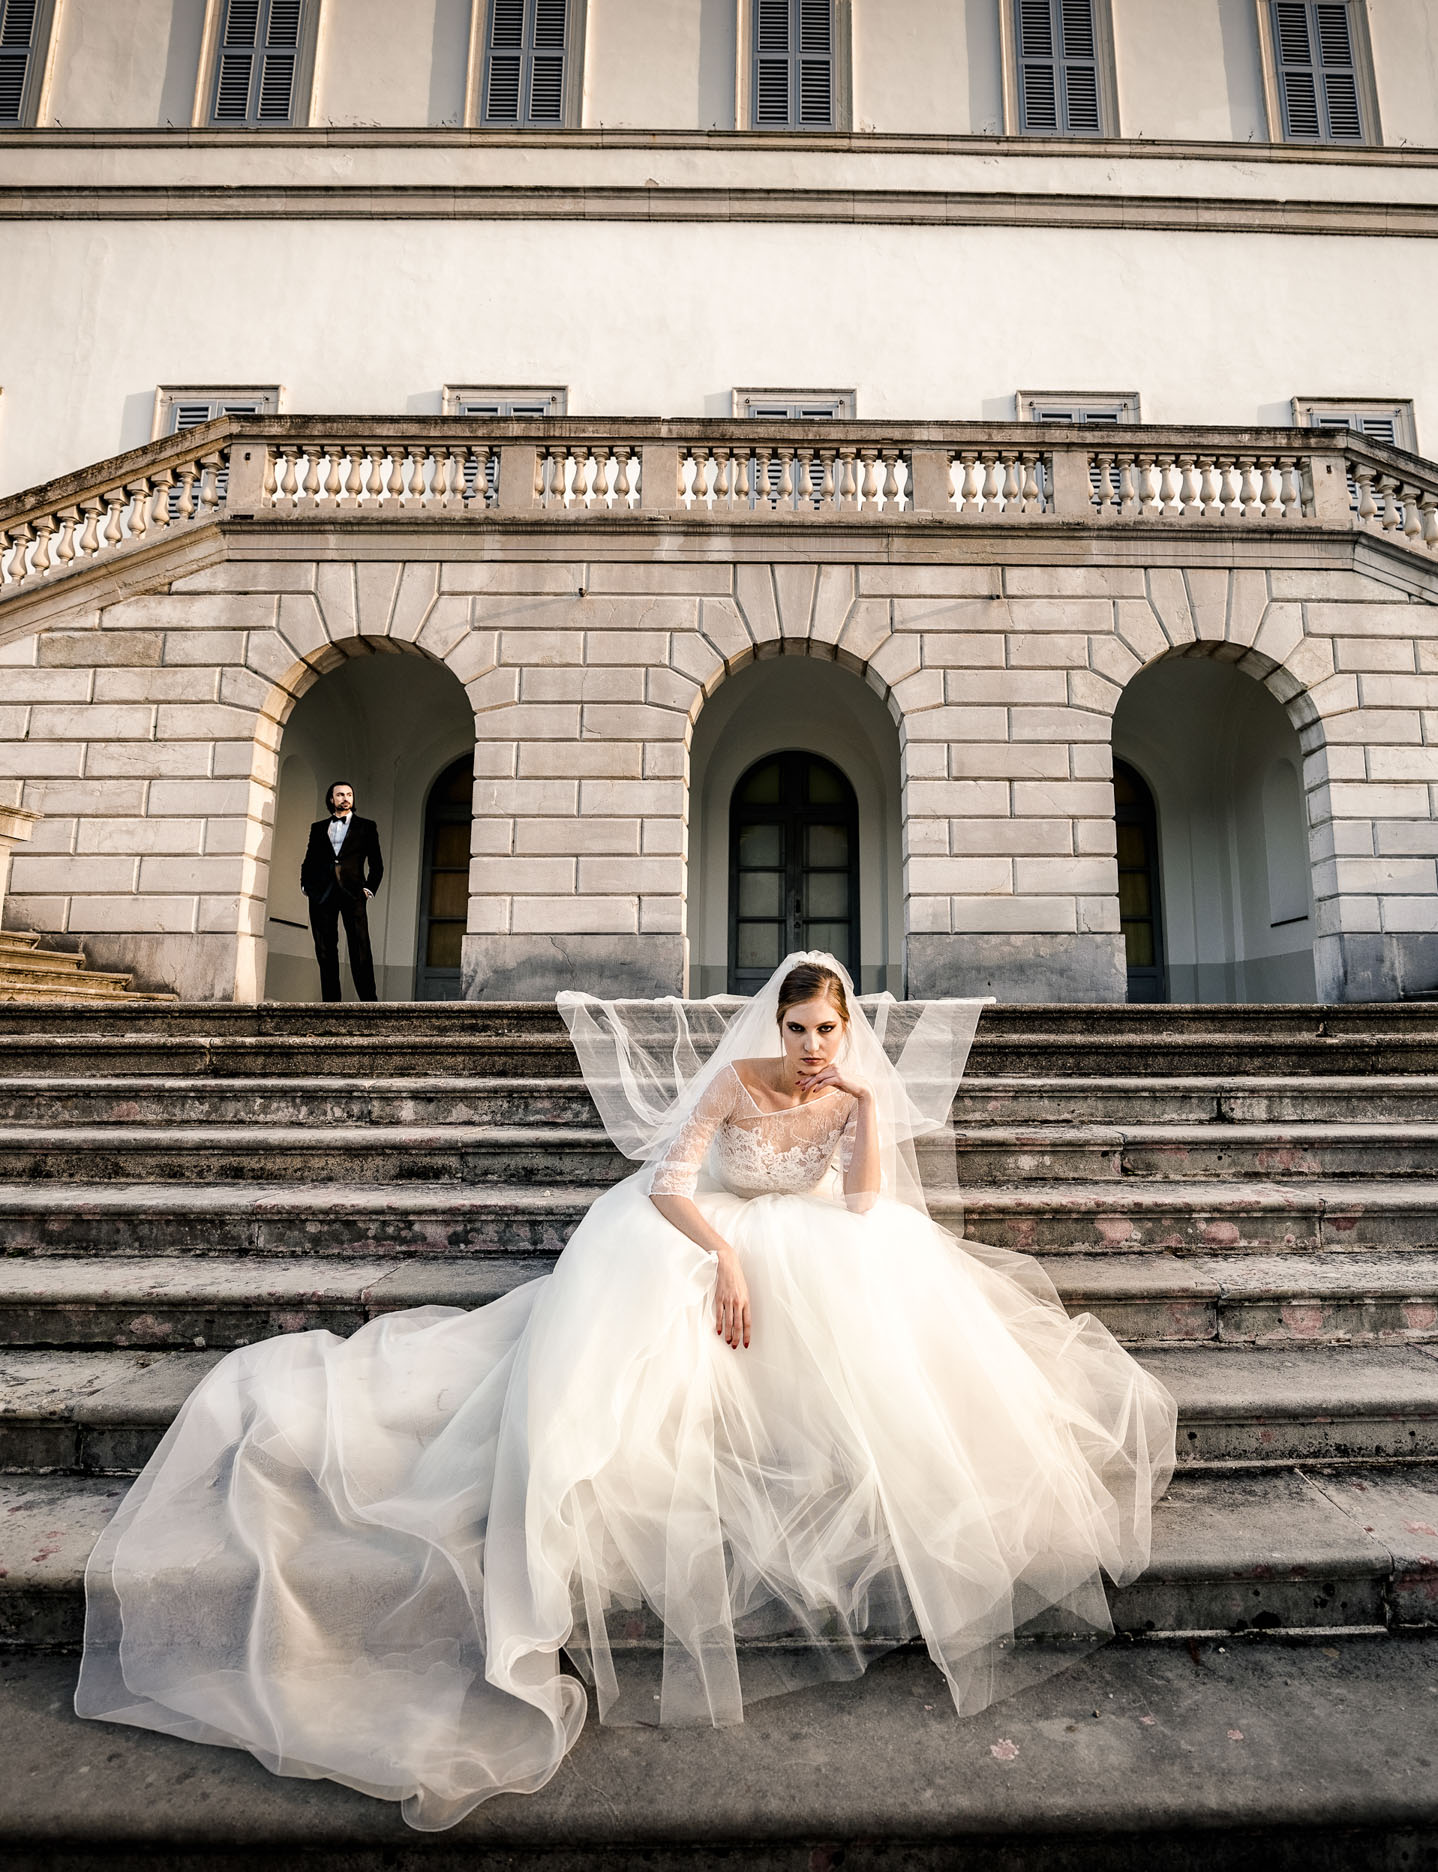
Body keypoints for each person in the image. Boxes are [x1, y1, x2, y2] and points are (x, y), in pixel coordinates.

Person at [75, 953, 1177, 1832]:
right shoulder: (736, 1082)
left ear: (848, 1031)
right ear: (773, 1028)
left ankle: (833, 1469)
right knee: (684, 1323)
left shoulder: (843, 1094)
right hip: (699, 1230)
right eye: (794, 1030)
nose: (807, 1048)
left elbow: (862, 1205)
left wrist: (861, 1109)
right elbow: (669, 1183)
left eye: (825, 1031)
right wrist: (729, 1260)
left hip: (810, 1239)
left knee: (875, 1279)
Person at [300, 780, 383, 1002]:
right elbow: (309, 860)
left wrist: (368, 889)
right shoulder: (317, 828)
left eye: (349, 794)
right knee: (325, 949)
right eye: (339, 795)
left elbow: (377, 864)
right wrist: (306, 885)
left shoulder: (367, 826)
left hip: (353, 893)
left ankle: (369, 1002)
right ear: (331, 799)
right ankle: (331, 1004)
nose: (345, 798)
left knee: (360, 946)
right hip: (322, 894)